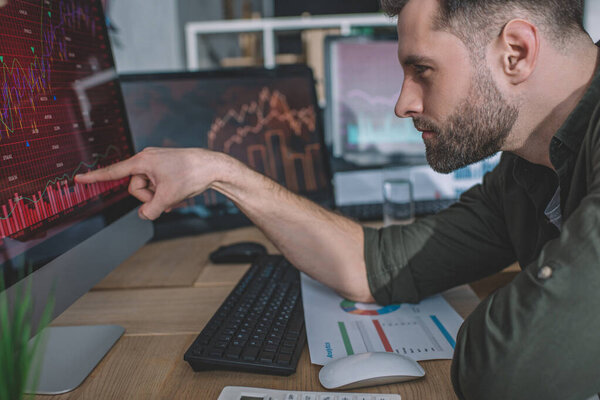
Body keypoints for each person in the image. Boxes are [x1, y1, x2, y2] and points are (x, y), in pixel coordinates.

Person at [76, 0, 600, 398]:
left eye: (422, 70)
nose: (403, 103)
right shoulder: (527, 171)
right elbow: (379, 267)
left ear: (517, 52)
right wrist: (220, 172)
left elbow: (507, 371)